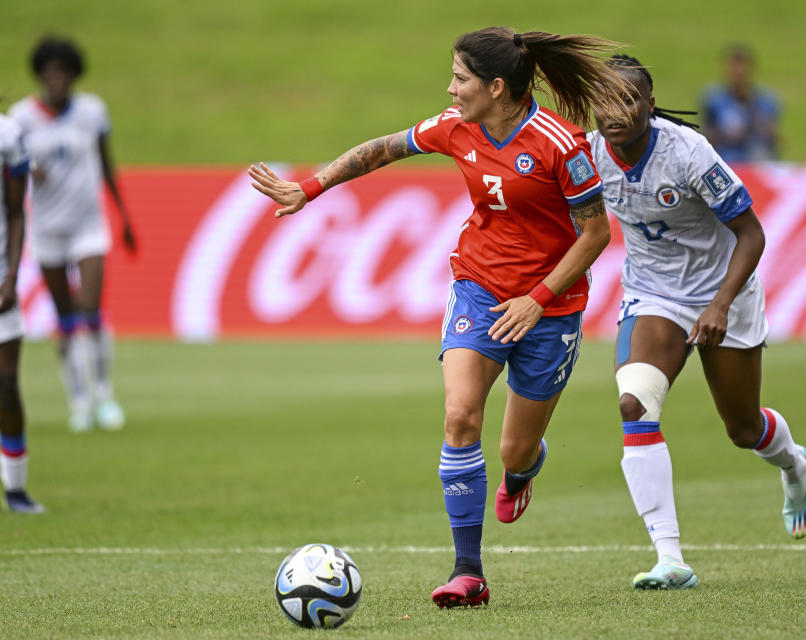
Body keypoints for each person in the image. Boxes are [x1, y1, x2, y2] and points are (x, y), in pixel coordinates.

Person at [249, 27, 633, 608]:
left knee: (513, 453)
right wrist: (310, 187)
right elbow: (382, 148)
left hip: (549, 309)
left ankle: (525, 469)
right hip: (478, 289)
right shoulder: (455, 128)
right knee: (459, 416)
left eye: (460, 78)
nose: (448, 88)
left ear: (496, 87)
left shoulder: (562, 144)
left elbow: (597, 233)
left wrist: (537, 298)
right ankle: (468, 572)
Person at [588, 55, 806, 590]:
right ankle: (671, 560)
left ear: (649, 103)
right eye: (604, 100)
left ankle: (794, 465)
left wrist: (718, 303)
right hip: (653, 293)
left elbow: (752, 234)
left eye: (627, 100)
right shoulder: (589, 155)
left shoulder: (688, 152)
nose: (614, 111)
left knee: (743, 429)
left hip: (724, 291)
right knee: (634, 402)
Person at [9, 36, 136, 432]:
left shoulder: (92, 111)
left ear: (74, 74)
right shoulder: (21, 119)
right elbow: (11, 169)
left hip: (87, 225)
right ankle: (77, 400)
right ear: (41, 74)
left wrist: (125, 215)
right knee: (64, 318)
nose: (57, 79)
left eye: (64, 71)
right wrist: (29, 170)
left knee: (91, 309)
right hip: (46, 228)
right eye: (51, 71)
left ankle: (104, 394)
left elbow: (106, 163)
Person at [0, 113, 44, 513]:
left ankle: (15, 489)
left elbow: (16, 211)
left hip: (0, 281)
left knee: (7, 384)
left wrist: (12, 275)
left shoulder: (8, 134)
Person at [701, 44, 780, 163]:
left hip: (756, 163)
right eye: (734, 67)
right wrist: (727, 133)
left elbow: (775, 141)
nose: (738, 73)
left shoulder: (764, 102)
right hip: (726, 162)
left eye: (742, 67)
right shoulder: (714, 100)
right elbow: (704, 138)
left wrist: (759, 125)